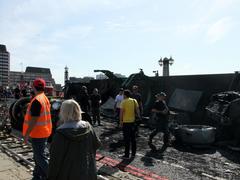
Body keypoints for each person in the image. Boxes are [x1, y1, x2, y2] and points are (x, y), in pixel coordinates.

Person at [48, 99, 101, 180]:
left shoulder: (60, 134)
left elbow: (55, 161)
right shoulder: (89, 127)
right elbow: (97, 145)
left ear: (63, 113)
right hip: (88, 173)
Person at [22, 78, 52, 180]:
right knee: (38, 156)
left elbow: (34, 120)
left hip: (38, 133)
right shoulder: (44, 98)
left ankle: (51, 175)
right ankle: (38, 175)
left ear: (33, 87)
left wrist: (26, 135)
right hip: (44, 131)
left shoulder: (36, 100)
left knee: (40, 157)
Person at [120, 89, 141, 159]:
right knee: (133, 138)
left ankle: (126, 155)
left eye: (123, 94)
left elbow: (121, 113)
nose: (122, 96)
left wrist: (121, 121)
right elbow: (138, 111)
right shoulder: (134, 101)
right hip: (133, 122)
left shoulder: (124, 102)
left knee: (127, 139)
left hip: (126, 123)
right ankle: (133, 154)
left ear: (125, 95)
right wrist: (139, 117)